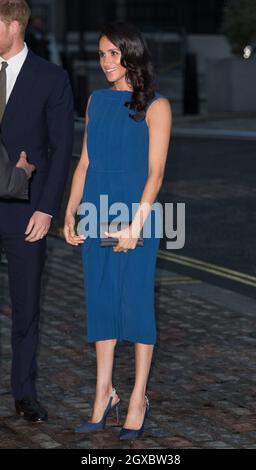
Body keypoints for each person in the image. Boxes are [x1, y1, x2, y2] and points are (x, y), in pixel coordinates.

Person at [64, 21, 171, 440]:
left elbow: (157, 174)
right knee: (102, 302)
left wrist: (136, 224)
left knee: (138, 306)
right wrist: (70, 212)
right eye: (102, 54)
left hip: (135, 216)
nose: (106, 62)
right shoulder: (95, 100)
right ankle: (103, 393)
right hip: (96, 210)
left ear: (131, 55)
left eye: (113, 53)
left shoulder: (157, 106)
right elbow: (86, 162)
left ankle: (138, 396)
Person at [0, 0, 74, 422]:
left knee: (26, 307)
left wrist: (48, 209)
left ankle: (24, 392)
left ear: (14, 25)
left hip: (28, 213)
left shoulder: (52, 78)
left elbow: (62, 149)